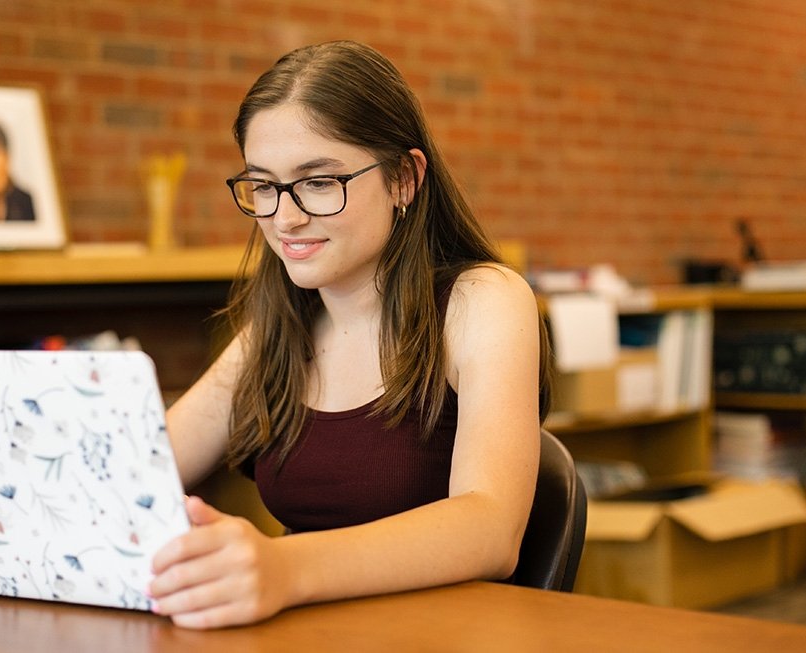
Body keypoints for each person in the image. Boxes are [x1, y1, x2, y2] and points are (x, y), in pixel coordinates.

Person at [149, 40, 552, 630]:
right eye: (263, 186)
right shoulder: (279, 328)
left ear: (404, 179)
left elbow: (491, 528)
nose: (285, 218)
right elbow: (136, 472)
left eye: (318, 182)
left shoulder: (482, 301)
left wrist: (283, 566)